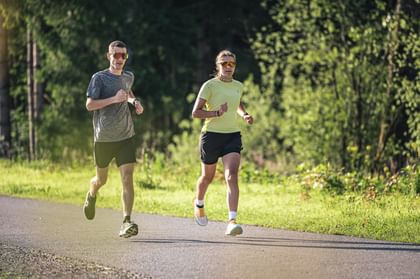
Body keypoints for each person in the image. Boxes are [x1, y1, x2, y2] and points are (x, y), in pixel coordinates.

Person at [83, 40, 144, 238]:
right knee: (101, 179)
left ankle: (126, 221)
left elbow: (127, 92)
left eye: (122, 56)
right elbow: (90, 105)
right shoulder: (99, 78)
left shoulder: (128, 76)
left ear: (126, 58)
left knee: (127, 177)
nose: (119, 59)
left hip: (125, 135)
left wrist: (134, 101)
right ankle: (91, 194)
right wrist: (113, 100)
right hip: (104, 138)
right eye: (115, 55)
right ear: (108, 56)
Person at [191, 49, 253, 236]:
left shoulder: (238, 85)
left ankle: (232, 221)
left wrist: (244, 114)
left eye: (231, 64)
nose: (228, 67)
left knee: (231, 176)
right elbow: (196, 113)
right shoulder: (209, 86)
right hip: (211, 136)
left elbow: (237, 103)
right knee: (207, 178)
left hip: (232, 135)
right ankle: (199, 203)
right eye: (224, 64)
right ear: (217, 66)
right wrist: (217, 113)